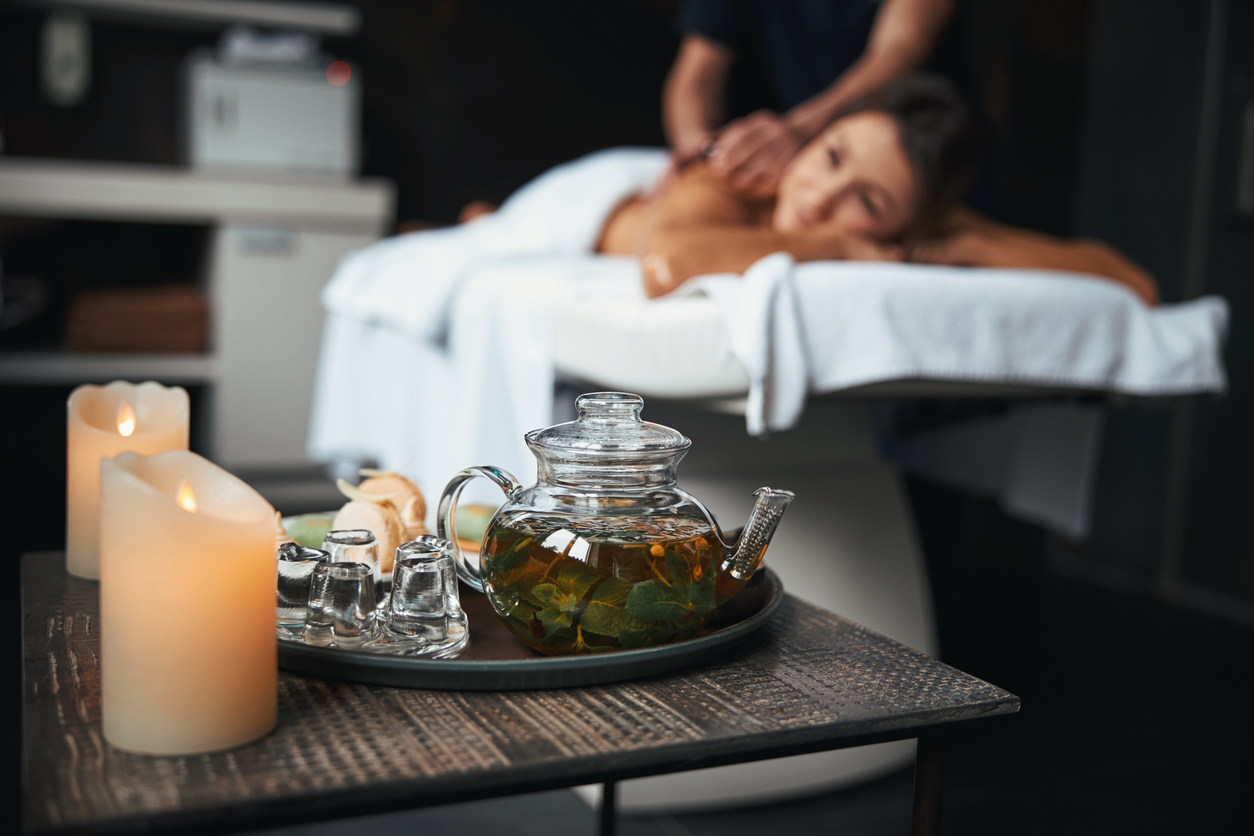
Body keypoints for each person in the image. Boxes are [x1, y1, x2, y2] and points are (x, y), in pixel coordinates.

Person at [600, 74, 1159, 305]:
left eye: (866, 201)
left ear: (907, 225)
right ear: (813, 138)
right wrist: (840, 245)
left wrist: (967, 247)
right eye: (831, 157)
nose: (819, 198)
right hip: (594, 194)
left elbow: (1133, 283)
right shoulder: (736, 186)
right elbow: (666, 267)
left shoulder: (919, 223)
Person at [665, 0, 956, 192]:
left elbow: (900, 49)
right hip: (805, 165)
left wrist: (798, 130)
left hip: (929, 169)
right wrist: (698, 148)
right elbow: (698, 70)